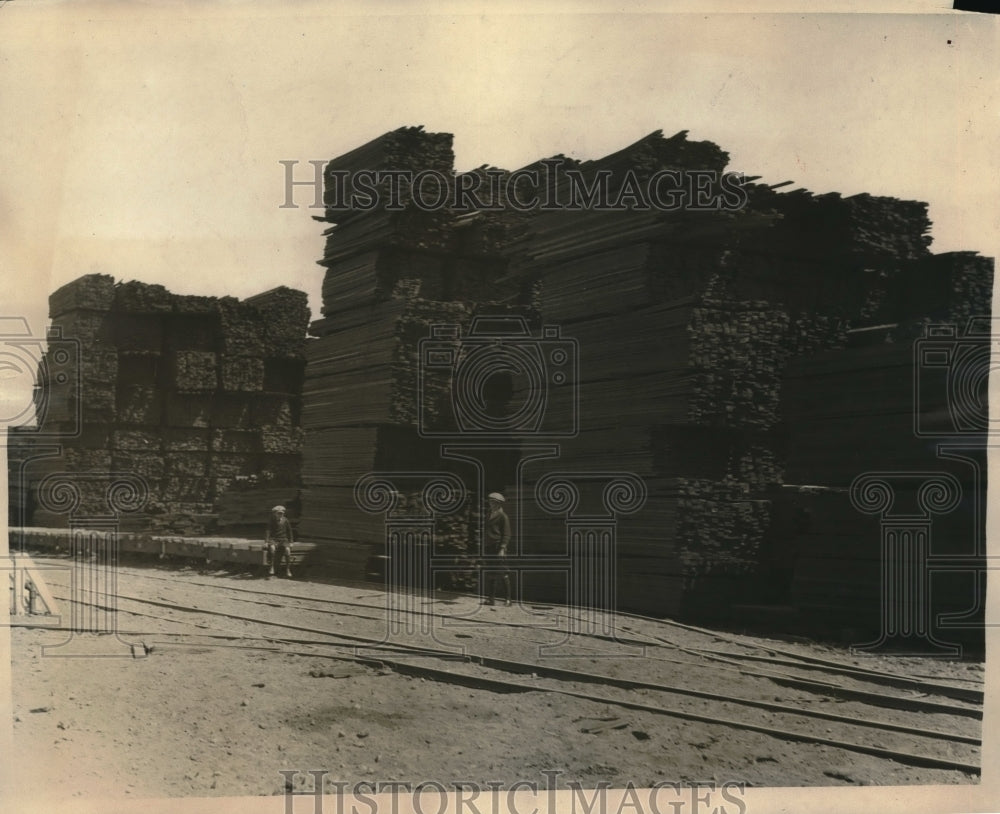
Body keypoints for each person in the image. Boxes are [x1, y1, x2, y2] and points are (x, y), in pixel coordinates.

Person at [482, 492, 511, 606]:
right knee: (490, 573)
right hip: (488, 547)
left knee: (503, 572)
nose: (491, 504)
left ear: (499, 504)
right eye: (490, 502)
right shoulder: (488, 514)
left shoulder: (503, 516)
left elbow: (507, 534)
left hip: (498, 547)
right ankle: (491, 599)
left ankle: (508, 599)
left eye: (494, 502)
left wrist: (502, 548)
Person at [265, 505, 294, 578]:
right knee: (272, 548)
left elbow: (289, 531)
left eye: (281, 513)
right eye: (278, 513)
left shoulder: (285, 520)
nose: (280, 515)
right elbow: (268, 530)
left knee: (287, 550)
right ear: (275, 513)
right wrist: (266, 541)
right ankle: (272, 567)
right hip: (274, 539)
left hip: (283, 539)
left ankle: (288, 569)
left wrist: (291, 542)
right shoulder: (271, 520)